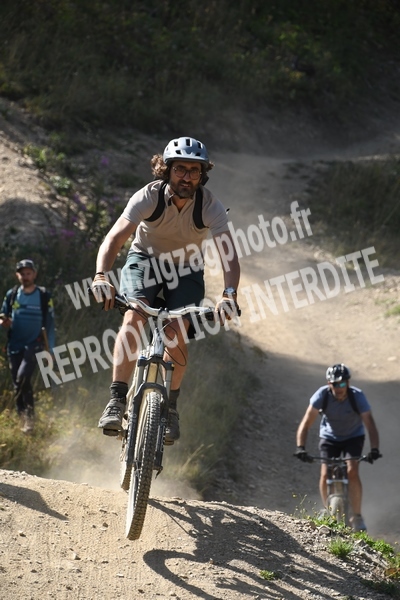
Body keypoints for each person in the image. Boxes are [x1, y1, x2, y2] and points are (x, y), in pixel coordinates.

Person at [92, 136, 240, 443]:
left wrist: (229, 294)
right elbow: (114, 238)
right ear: (167, 169)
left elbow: (229, 255)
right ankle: (116, 400)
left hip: (187, 270)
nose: (187, 177)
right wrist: (101, 276)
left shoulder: (209, 205)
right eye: (180, 169)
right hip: (145, 261)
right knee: (134, 317)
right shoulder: (149, 197)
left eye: (194, 170)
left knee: (177, 330)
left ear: (202, 174)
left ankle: (170, 407)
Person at [295, 363, 381, 532]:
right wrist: (300, 447)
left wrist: (374, 449)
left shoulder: (357, 396)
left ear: (348, 383)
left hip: (353, 437)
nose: (339, 388)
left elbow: (370, 424)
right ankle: (326, 510)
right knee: (325, 472)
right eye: (335, 384)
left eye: (342, 383)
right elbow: (306, 423)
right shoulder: (321, 395)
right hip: (329, 437)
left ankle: (357, 516)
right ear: (329, 383)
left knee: (352, 470)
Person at [0, 259, 55, 433]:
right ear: (18, 275)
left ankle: (30, 419)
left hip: (34, 344)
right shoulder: (12, 294)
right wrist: (4, 322)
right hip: (14, 345)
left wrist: (51, 349)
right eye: (22, 274)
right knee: (17, 384)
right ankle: (23, 419)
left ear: (34, 274)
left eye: (28, 273)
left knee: (23, 377)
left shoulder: (43, 295)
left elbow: (50, 324)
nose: (25, 276)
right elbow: (3, 315)